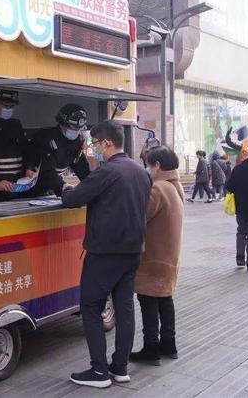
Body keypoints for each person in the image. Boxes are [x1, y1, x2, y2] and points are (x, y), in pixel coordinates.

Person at [61, 120, 151, 388]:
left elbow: (73, 199)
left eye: (95, 145)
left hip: (105, 252)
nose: (94, 150)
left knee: (90, 307)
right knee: (124, 307)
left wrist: (64, 188)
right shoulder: (141, 171)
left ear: (107, 143)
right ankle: (120, 368)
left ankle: (99, 371)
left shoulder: (107, 172)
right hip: (133, 250)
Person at [129, 146, 184, 366]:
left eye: (149, 164)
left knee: (148, 300)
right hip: (169, 255)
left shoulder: (159, 188)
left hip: (153, 256)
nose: (148, 169)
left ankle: (151, 348)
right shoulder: (175, 186)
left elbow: (140, 217)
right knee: (165, 300)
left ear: (158, 165)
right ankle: (169, 345)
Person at [28, 104, 91, 196]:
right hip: (31, 187)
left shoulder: (77, 140)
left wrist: (92, 186)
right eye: (72, 128)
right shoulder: (44, 139)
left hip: (50, 190)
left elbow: (81, 167)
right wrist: (64, 187)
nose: (75, 131)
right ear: (61, 124)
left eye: (78, 129)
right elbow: (47, 172)